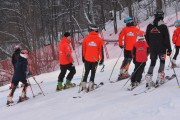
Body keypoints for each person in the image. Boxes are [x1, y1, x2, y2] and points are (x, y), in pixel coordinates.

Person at [145, 10, 172, 88]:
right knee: (162, 62)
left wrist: (150, 45)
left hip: (152, 48)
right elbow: (167, 39)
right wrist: (169, 49)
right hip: (162, 48)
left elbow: (146, 37)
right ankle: (160, 78)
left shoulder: (150, 25)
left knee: (152, 62)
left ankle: (149, 79)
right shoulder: (163, 26)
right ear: (162, 16)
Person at [81, 24, 104, 92]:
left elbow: (83, 49)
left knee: (86, 71)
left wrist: (83, 57)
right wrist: (102, 59)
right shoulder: (99, 39)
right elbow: (101, 50)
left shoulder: (86, 38)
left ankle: (84, 84)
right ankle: (91, 85)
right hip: (95, 59)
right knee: (93, 72)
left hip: (87, 58)